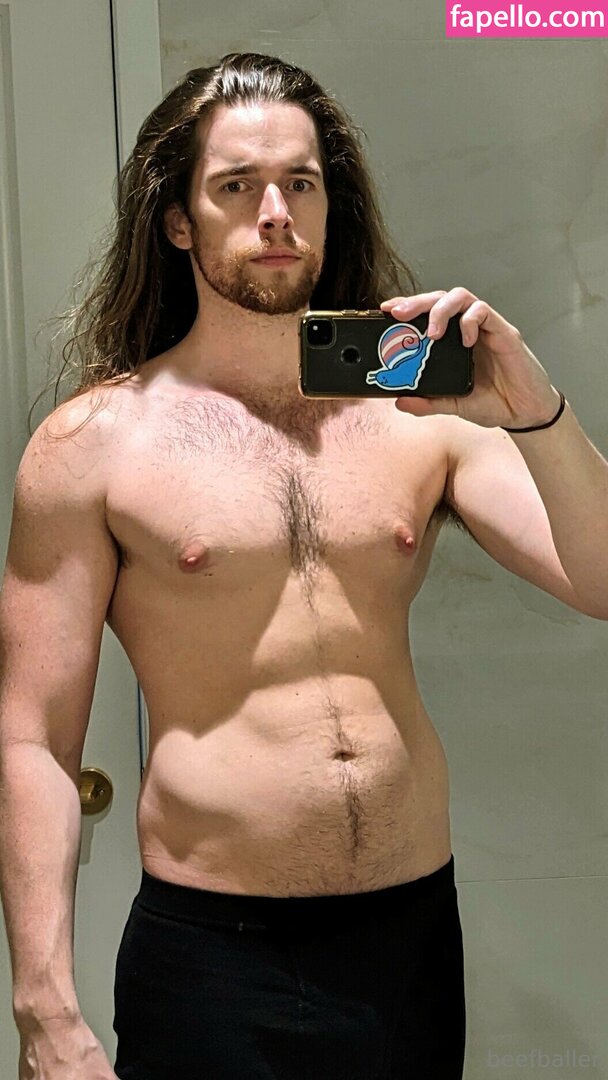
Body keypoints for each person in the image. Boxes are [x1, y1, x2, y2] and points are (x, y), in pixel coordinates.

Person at [1, 52, 607, 1080]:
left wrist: (535, 412)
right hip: (210, 958)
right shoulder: (94, 445)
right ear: (178, 220)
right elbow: (35, 743)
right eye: (237, 186)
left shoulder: (421, 418)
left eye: (300, 183)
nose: (275, 212)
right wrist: (44, 1009)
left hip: (407, 945)